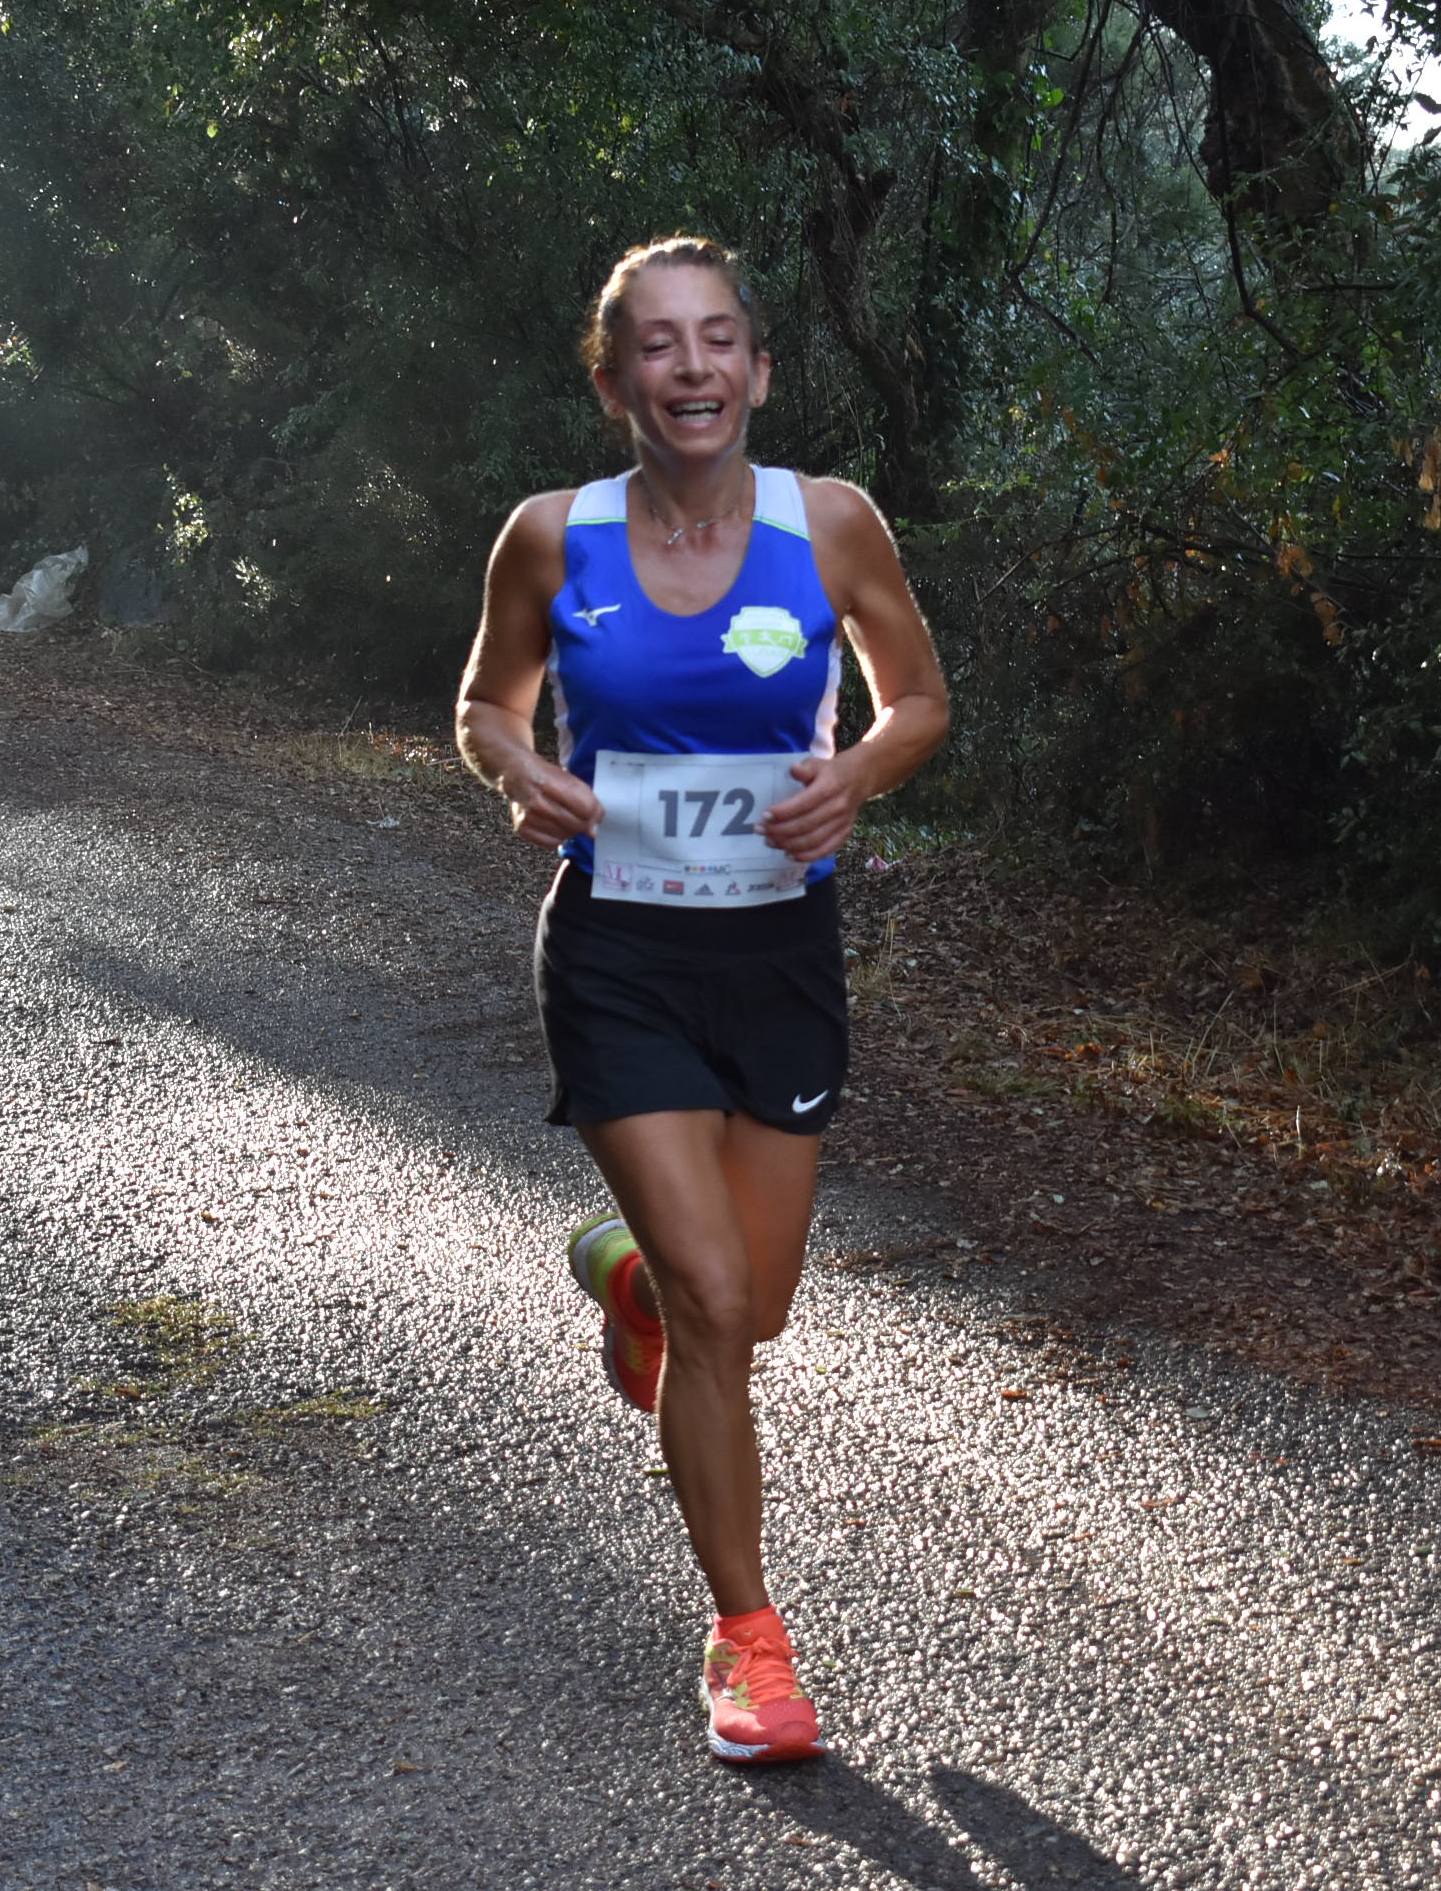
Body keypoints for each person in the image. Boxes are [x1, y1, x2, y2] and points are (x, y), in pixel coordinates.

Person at [455, 234, 948, 1764]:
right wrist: (518, 768)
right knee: (720, 1310)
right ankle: (748, 1643)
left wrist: (858, 773)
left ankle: (632, 1278)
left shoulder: (832, 523)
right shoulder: (551, 537)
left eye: (717, 338)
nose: (692, 366)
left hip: (779, 957)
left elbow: (918, 699)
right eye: (658, 344)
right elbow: (484, 706)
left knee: (755, 1305)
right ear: (614, 380)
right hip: (618, 955)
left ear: (758, 370)